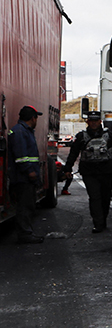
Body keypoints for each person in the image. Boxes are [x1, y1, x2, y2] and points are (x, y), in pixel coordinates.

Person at [64, 111, 112, 233]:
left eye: (96, 121)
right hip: (89, 172)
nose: (94, 123)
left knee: (105, 196)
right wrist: (68, 168)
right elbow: (73, 153)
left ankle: (103, 220)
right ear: (88, 122)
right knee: (94, 197)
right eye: (91, 121)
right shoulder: (81, 137)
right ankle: (98, 223)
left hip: (106, 171)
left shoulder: (109, 136)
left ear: (100, 122)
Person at [10, 105, 45, 244]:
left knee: (27, 205)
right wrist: (30, 171)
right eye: (36, 118)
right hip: (23, 177)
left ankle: (26, 232)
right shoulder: (20, 132)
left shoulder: (22, 130)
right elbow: (21, 156)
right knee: (25, 206)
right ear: (33, 118)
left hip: (24, 176)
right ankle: (25, 234)